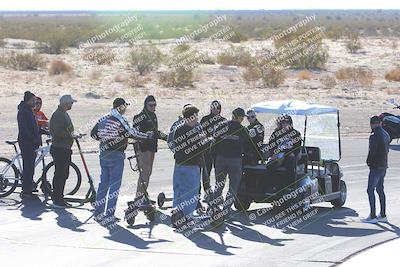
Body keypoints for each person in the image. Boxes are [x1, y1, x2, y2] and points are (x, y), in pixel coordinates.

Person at [91, 98, 150, 224]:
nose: (125, 109)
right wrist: (146, 137)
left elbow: (93, 134)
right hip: (116, 154)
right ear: (120, 107)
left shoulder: (104, 117)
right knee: (114, 186)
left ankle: (98, 213)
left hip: (104, 153)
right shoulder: (118, 118)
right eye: (125, 106)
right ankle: (109, 215)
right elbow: (130, 133)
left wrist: (105, 140)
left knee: (103, 184)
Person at [171, 105, 211, 226]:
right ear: (192, 117)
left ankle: (177, 214)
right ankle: (187, 217)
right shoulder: (192, 131)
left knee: (178, 191)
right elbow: (199, 149)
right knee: (191, 193)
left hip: (178, 165)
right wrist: (208, 141)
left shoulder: (178, 130)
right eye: (196, 116)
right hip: (191, 166)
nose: (197, 119)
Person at [213, 108, 249, 220]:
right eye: (241, 117)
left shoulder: (221, 126)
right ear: (237, 116)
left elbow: (214, 140)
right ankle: (225, 211)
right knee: (233, 187)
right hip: (235, 160)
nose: (242, 119)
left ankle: (214, 208)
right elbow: (248, 144)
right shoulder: (243, 130)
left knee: (219, 184)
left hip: (221, 159)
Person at [132, 95, 167, 199]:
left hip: (152, 147)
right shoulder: (139, 116)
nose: (153, 107)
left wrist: (167, 138)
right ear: (145, 105)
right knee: (145, 173)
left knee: (149, 172)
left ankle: (144, 194)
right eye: (150, 105)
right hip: (143, 147)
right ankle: (139, 197)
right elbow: (135, 133)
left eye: (155, 105)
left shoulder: (153, 116)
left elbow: (156, 132)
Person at [49, 95, 77, 208]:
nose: (72, 105)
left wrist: (72, 135)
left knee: (63, 174)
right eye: (71, 103)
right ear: (65, 103)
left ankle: (59, 197)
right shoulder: (58, 115)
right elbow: (58, 132)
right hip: (60, 148)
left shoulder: (63, 113)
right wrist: (71, 135)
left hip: (64, 148)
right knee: (60, 174)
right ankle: (57, 199)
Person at [362, 116, 390, 224]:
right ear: (380, 123)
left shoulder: (374, 136)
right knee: (380, 190)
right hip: (384, 166)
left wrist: (368, 161)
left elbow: (372, 151)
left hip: (376, 167)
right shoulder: (386, 134)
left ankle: (372, 216)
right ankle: (383, 214)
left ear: (372, 124)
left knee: (370, 190)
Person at [199, 100, 226, 198]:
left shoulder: (223, 121)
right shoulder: (205, 119)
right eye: (213, 108)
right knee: (206, 171)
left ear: (220, 109)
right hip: (206, 150)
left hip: (219, 151)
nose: (215, 110)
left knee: (219, 172)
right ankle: (207, 192)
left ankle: (218, 194)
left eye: (217, 108)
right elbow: (200, 133)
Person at [17, 91, 41, 198]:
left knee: (30, 167)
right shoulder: (23, 111)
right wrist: (33, 139)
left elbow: (33, 127)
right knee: (28, 167)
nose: (35, 102)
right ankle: (26, 191)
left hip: (31, 143)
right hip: (27, 143)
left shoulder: (29, 111)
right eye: (33, 100)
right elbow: (24, 130)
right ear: (28, 100)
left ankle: (29, 186)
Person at [267, 115, 302, 181]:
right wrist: (274, 155)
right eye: (283, 123)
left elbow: (297, 148)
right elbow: (271, 146)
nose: (285, 125)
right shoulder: (275, 133)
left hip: (289, 156)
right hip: (277, 155)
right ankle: (273, 186)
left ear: (290, 123)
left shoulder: (296, 134)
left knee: (290, 162)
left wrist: (284, 156)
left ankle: (289, 186)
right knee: (269, 165)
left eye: (286, 123)